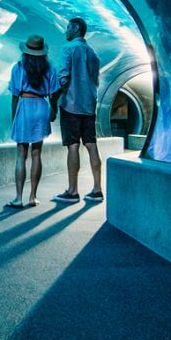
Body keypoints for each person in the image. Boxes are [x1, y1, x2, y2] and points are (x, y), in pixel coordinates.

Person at [5, 34, 60, 209]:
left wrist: (14, 117)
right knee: (37, 154)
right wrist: (53, 110)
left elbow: (15, 94)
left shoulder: (18, 68)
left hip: (25, 105)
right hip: (41, 106)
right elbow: (53, 94)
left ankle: (18, 198)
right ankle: (33, 197)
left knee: (21, 154)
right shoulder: (50, 68)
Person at [53, 16, 103, 204]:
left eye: (67, 27)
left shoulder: (68, 49)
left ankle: (73, 191)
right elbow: (95, 81)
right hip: (89, 106)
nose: (65, 31)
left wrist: (54, 101)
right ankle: (97, 189)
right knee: (91, 145)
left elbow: (63, 78)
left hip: (71, 105)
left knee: (73, 146)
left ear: (75, 28)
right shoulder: (93, 54)